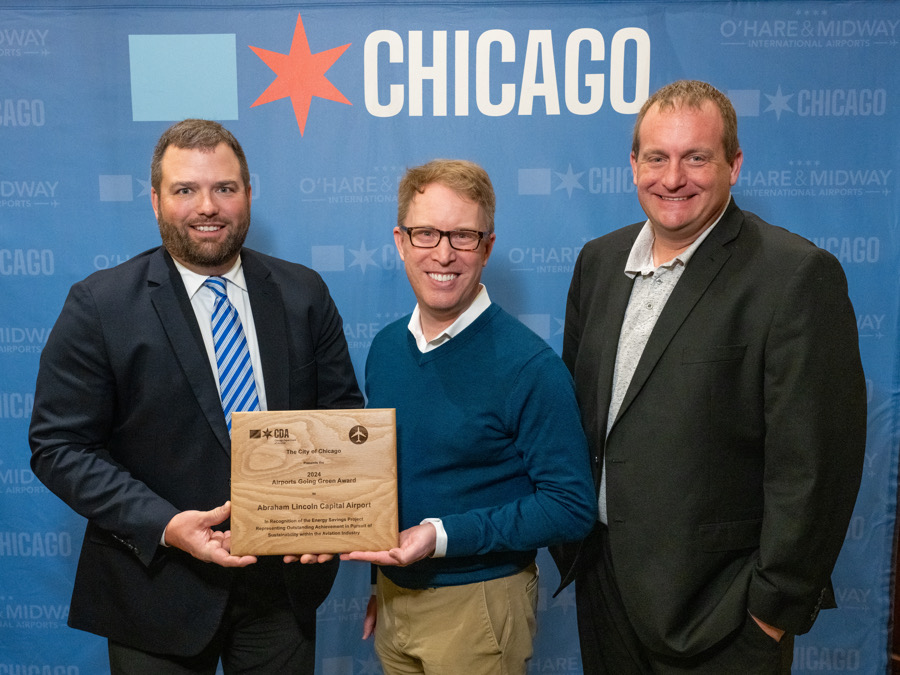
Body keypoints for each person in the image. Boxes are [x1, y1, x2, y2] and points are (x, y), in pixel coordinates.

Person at [553, 79, 867, 673]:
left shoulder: (795, 276)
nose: (673, 178)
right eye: (657, 157)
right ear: (633, 164)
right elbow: (583, 420)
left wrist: (771, 611)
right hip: (605, 588)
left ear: (734, 164)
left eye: (696, 157)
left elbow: (817, 465)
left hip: (720, 615)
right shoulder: (599, 261)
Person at [29, 118, 363, 674]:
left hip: (280, 592)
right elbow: (59, 447)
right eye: (186, 190)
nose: (207, 206)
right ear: (156, 200)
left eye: (224, 188)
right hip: (154, 588)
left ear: (248, 195)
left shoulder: (304, 292)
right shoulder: (100, 306)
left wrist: (331, 516)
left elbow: (343, 417)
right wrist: (166, 524)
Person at [341, 159, 596, 674]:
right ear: (400, 241)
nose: (443, 253)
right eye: (426, 233)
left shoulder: (530, 367)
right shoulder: (387, 348)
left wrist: (439, 535)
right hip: (395, 599)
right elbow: (392, 477)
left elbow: (571, 507)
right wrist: (380, 583)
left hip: (479, 605)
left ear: (487, 246)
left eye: (462, 235)